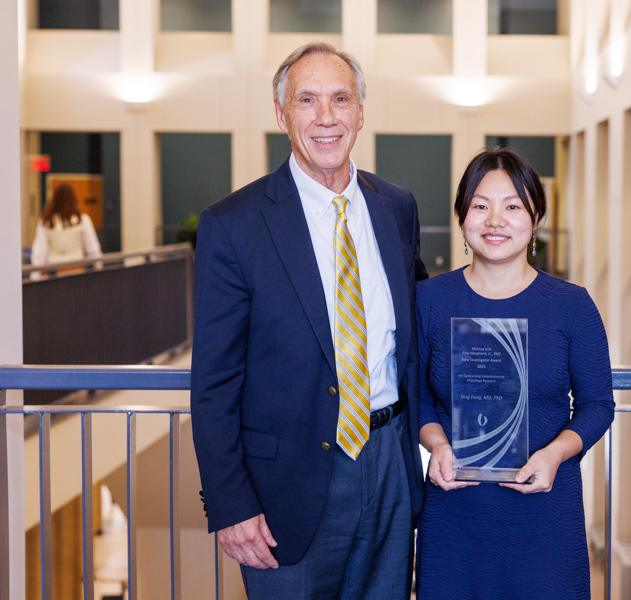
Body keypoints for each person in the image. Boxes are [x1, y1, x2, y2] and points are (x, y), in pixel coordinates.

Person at [190, 42, 427, 600]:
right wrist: (230, 504)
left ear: (360, 113)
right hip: (284, 492)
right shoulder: (234, 224)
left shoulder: (397, 207)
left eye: (341, 99)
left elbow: (421, 328)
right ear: (281, 114)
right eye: (307, 100)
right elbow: (214, 382)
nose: (326, 116)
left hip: (390, 464)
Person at [415, 147, 615, 599]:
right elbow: (420, 398)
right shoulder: (429, 301)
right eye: (480, 206)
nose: (495, 220)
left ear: (536, 218)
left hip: (544, 513)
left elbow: (598, 405)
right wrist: (437, 445)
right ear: (462, 216)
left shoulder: (571, 305)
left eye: (512, 207)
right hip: (455, 514)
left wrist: (555, 455)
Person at [30, 183, 102, 267]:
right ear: (74, 199)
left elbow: (39, 252)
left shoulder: (45, 221)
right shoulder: (82, 219)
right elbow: (93, 250)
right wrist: (98, 268)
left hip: (54, 268)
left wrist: (36, 272)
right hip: (76, 268)